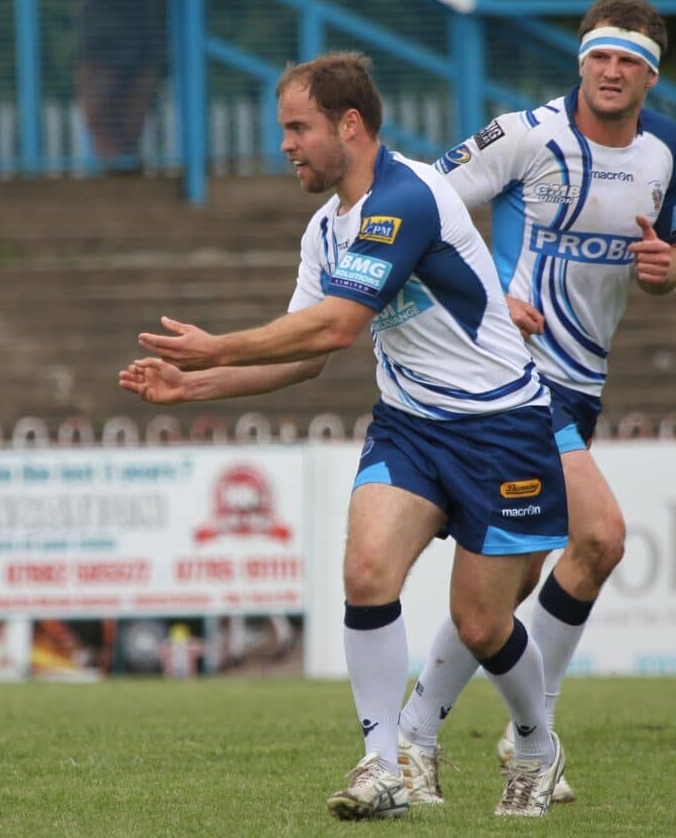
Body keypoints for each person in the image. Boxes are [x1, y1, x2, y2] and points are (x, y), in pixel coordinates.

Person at [119, 52, 570, 820]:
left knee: (481, 623)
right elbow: (305, 356)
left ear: (350, 125)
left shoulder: (408, 196)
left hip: (502, 429)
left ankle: (536, 744)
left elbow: (337, 325)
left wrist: (216, 347)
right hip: (411, 426)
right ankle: (382, 763)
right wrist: (196, 385)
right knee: (366, 573)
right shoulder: (326, 229)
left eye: (298, 128)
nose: (286, 145)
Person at [396, 0, 676, 807]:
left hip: (583, 384)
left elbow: (673, 241)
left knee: (505, 590)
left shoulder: (665, 144)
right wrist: (488, 291)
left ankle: (417, 739)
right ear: (580, 61)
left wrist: (672, 266)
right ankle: (533, 738)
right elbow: (415, 208)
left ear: (649, 75)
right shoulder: (525, 134)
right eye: (599, 55)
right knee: (601, 538)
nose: (610, 70)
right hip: (513, 380)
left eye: (627, 60)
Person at [77, 0, 199, 173]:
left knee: (138, 99)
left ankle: (126, 163)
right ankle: (110, 164)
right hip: (104, 33)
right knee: (101, 101)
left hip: (147, 29)